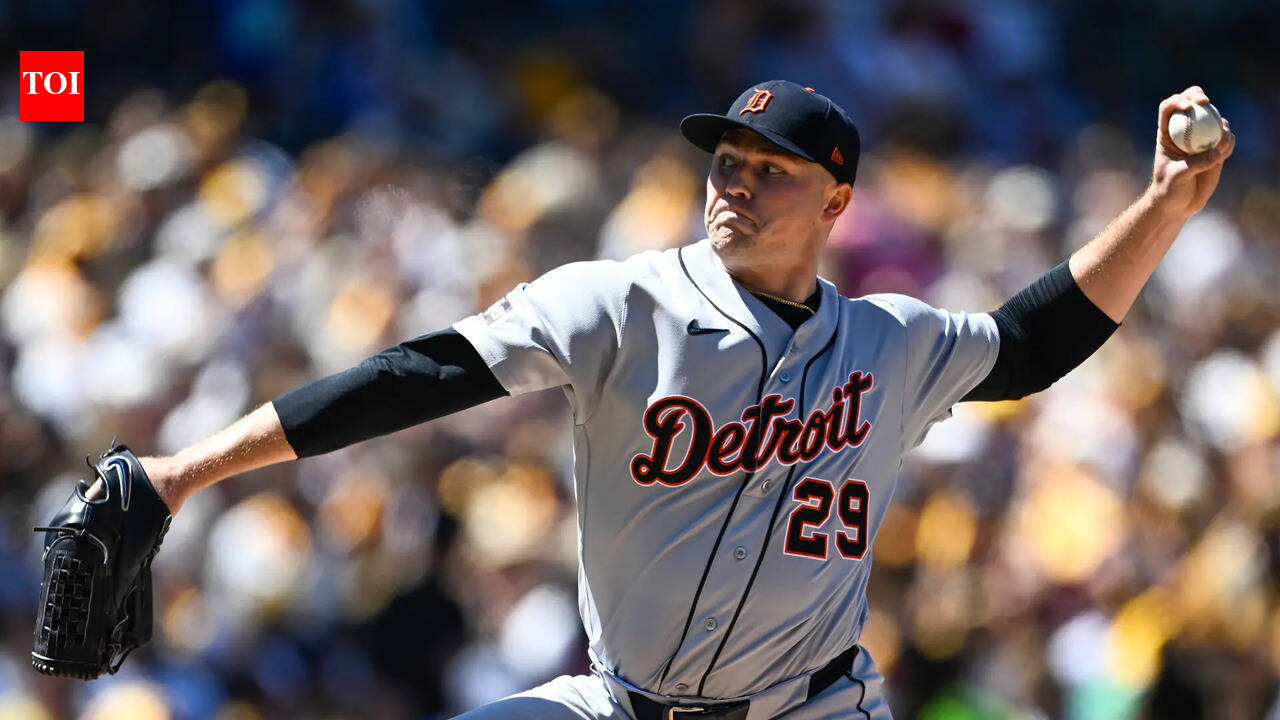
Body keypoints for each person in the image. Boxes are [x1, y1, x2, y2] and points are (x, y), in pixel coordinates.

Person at [81, 80, 1235, 719]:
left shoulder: (888, 342)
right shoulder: (616, 304)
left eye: (769, 170)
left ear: (836, 201)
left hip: (811, 712)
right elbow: (413, 375)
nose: (734, 184)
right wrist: (185, 473)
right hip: (620, 705)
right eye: (724, 162)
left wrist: (1164, 210)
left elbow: (1032, 343)